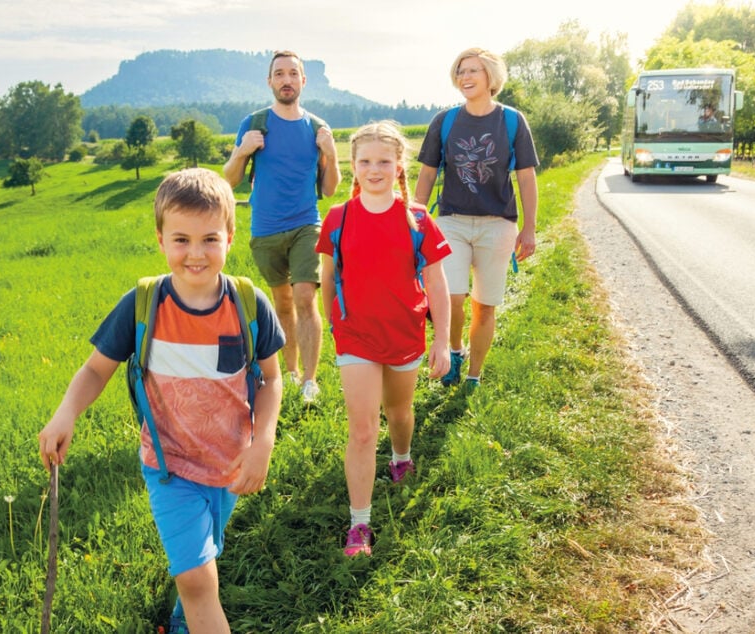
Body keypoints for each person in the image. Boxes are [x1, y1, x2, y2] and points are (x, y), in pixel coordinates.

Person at [37, 168, 285, 634]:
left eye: (210, 239)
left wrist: (263, 442)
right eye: (181, 239)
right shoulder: (142, 303)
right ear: (160, 239)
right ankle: (192, 606)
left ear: (231, 237)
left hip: (230, 464)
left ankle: (183, 616)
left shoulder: (249, 304)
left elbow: (271, 380)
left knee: (206, 551)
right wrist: (65, 413)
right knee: (196, 578)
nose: (195, 253)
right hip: (168, 464)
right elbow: (95, 369)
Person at [316, 121, 452, 556]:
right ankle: (360, 524)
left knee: (398, 413)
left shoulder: (417, 220)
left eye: (384, 161)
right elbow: (327, 277)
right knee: (361, 430)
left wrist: (443, 339)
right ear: (353, 167)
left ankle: (401, 456)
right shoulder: (338, 218)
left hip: (405, 334)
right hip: (355, 336)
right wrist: (335, 325)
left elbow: (437, 283)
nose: (374, 169)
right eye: (365, 161)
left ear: (398, 167)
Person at [414, 47, 539, 391]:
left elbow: (526, 177)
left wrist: (528, 228)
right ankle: (455, 353)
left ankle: (474, 376)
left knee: (485, 306)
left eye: (473, 71)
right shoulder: (445, 121)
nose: (465, 77)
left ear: (491, 78)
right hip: (451, 221)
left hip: (498, 224)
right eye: (461, 71)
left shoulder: (511, 121)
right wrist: (415, 222)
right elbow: (426, 175)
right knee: (452, 296)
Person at [223, 50, 341, 403]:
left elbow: (330, 188)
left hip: (307, 222)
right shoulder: (254, 123)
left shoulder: (318, 129)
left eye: (293, 74)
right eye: (280, 74)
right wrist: (242, 151)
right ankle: (289, 373)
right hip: (265, 229)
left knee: (306, 297)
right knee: (283, 302)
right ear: (270, 81)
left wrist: (331, 154)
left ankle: (310, 380)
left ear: (303, 81)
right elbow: (229, 180)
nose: (286, 80)